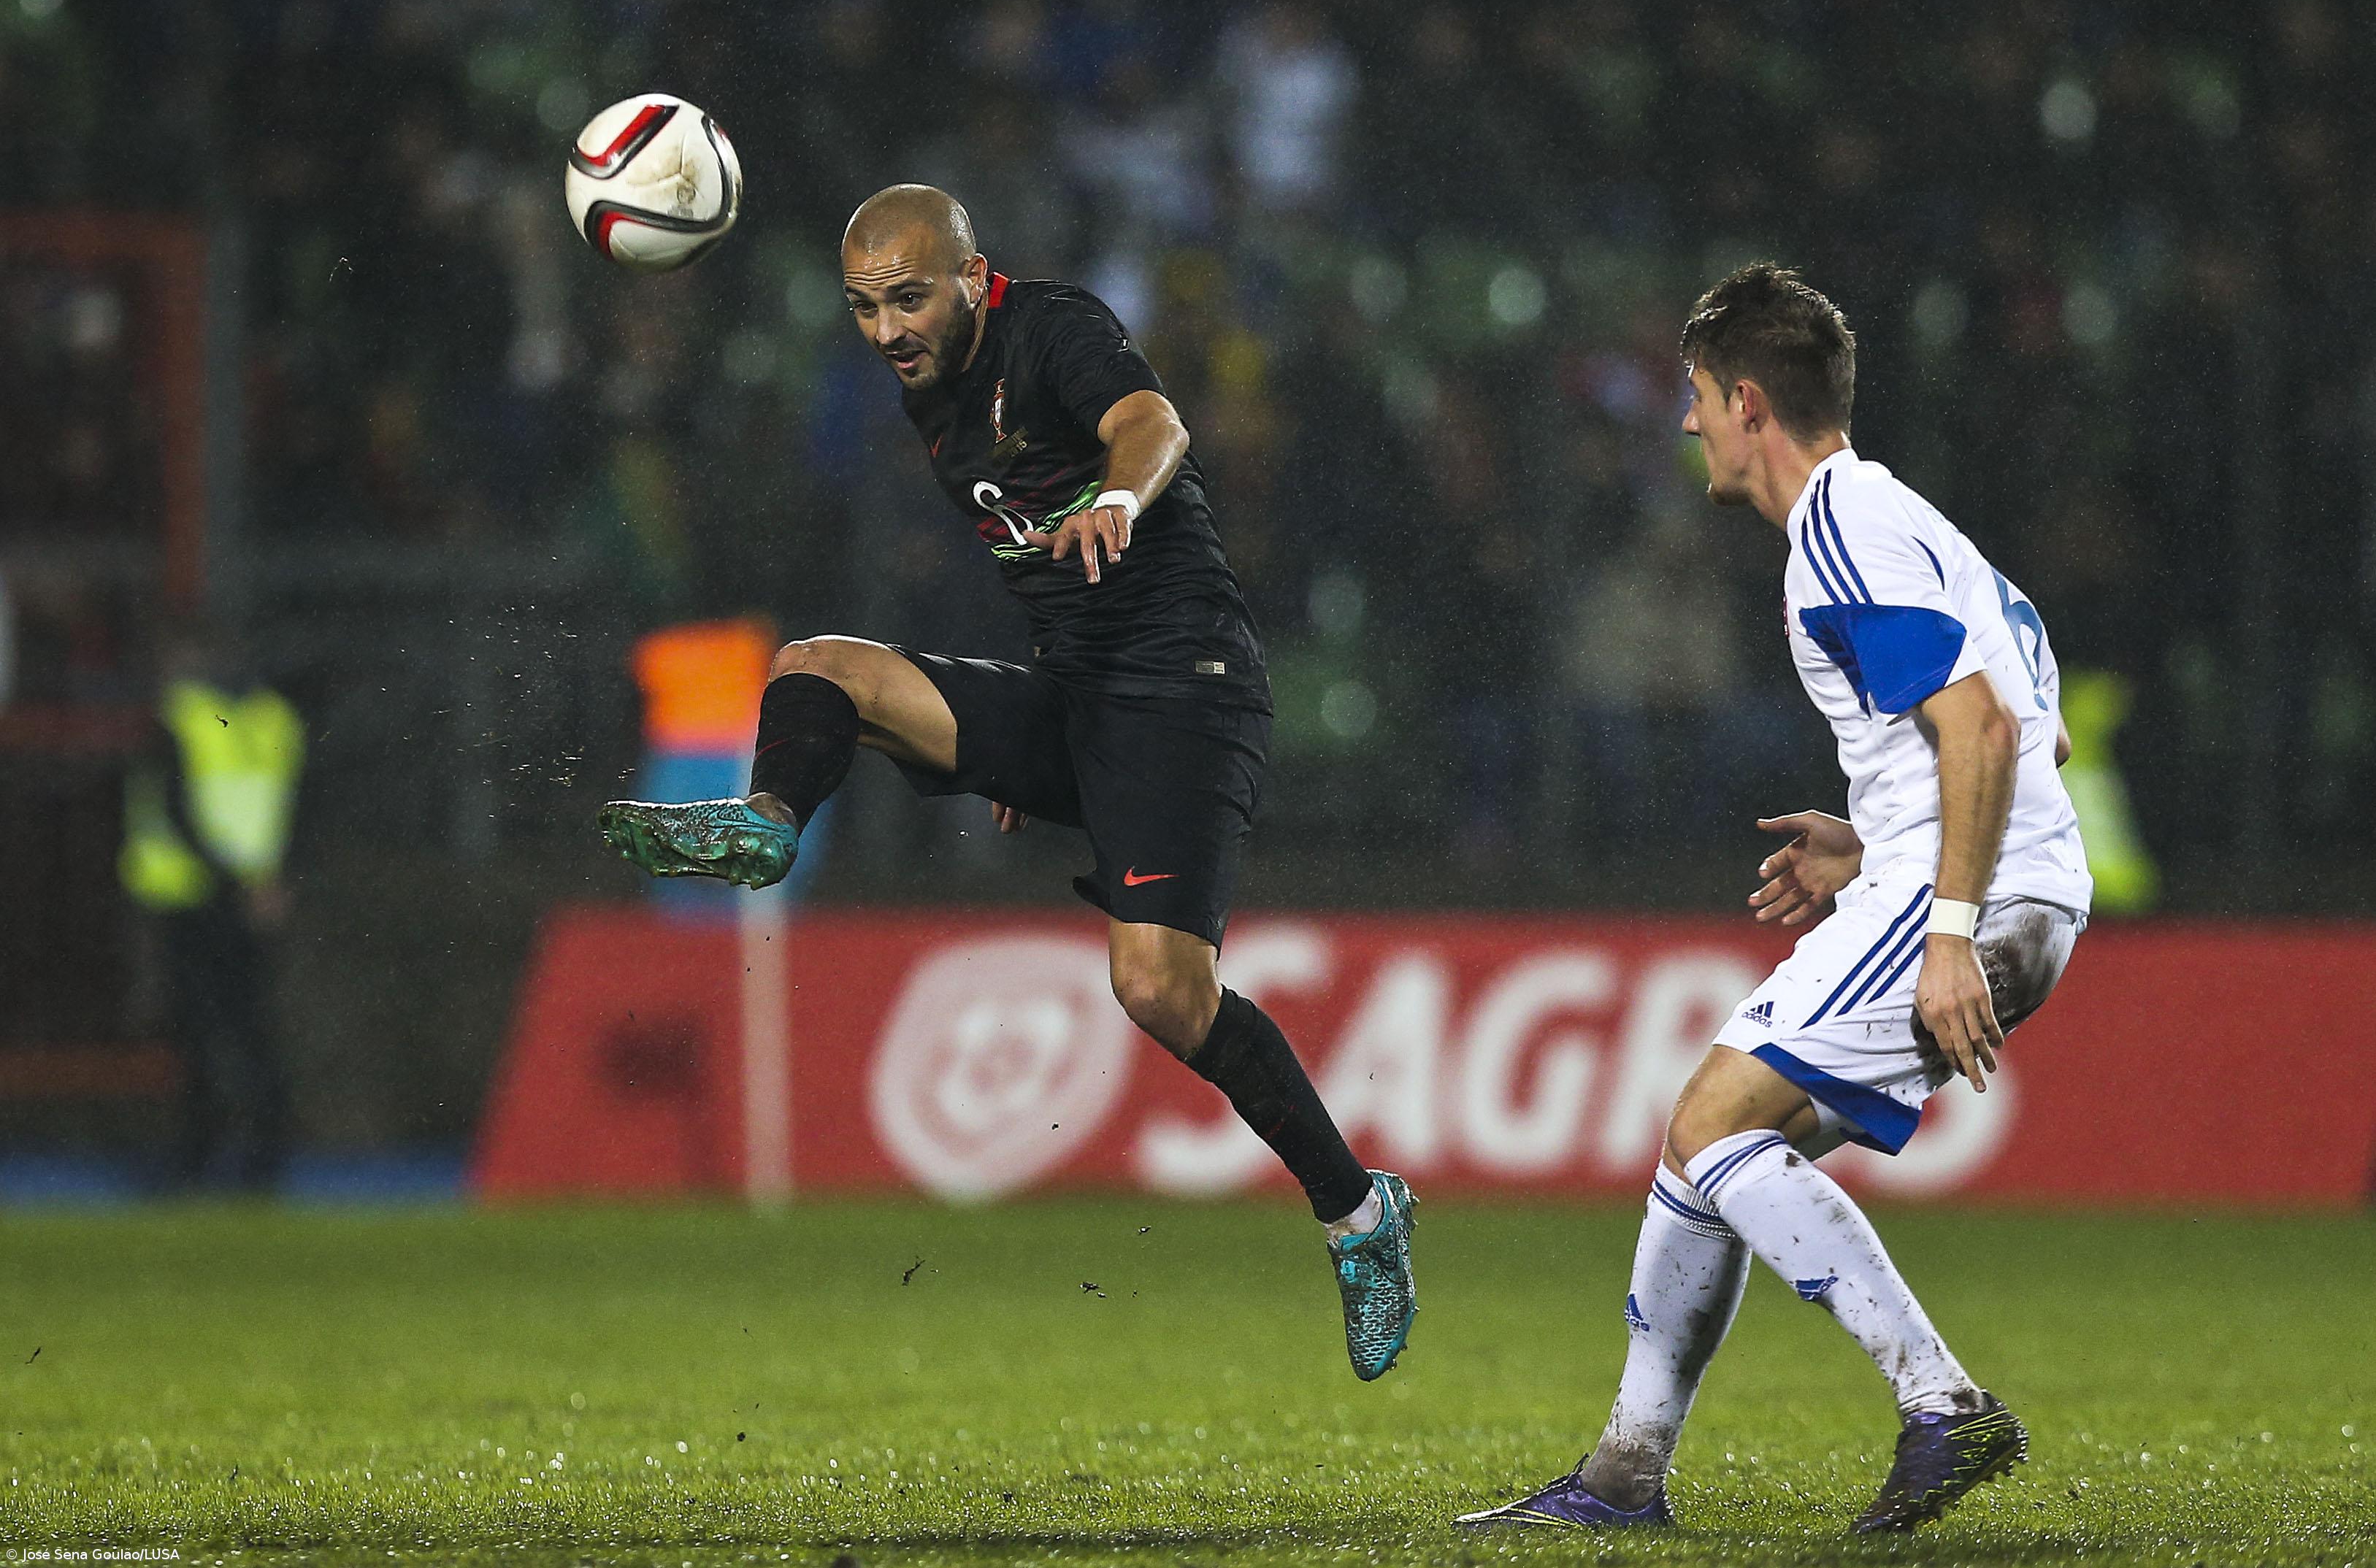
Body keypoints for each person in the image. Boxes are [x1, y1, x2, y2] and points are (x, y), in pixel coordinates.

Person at [596, 185, 1417, 1380]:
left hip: (1184, 693)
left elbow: (1151, 424)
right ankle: (767, 822)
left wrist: (1117, 496)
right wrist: (1015, 745)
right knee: (817, 666)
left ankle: (1358, 1211)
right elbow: (1037, 572)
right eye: (863, 306)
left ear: (972, 278)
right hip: (1071, 698)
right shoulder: (927, 386)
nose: (886, 329)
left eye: (907, 298)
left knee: (1158, 988)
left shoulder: (1051, 328)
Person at [1462, 265, 2092, 1534]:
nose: (1685, 420)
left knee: (1710, 1123)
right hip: (1986, 880)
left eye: (1696, 395)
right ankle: (1620, 1476)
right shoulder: (1895, 518)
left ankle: (1939, 1401)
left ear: (1746, 402)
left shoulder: (1839, 530)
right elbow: (2039, 732)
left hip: (1967, 897)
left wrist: (1946, 927)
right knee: (1701, 1151)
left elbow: (1980, 729)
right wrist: (1872, 845)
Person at [118, 623, 305, 1192]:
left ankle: (199, 1157)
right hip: (256, 899)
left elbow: (178, 811)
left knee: (202, 1032)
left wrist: (235, 881)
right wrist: (275, 881)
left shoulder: (183, 718)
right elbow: (299, 806)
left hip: (194, 898)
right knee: (249, 1028)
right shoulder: (276, 718)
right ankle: (262, 1158)